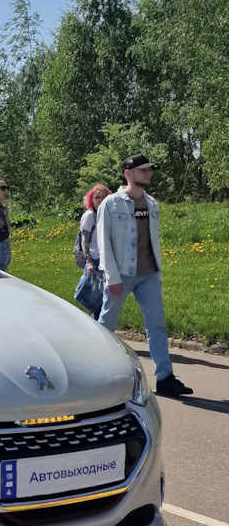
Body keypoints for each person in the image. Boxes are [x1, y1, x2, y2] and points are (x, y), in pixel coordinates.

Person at [96, 154, 192, 398]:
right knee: (107, 326)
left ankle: (165, 378)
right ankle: (97, 374)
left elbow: (153, 240)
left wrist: (158, 273)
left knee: (157, 326)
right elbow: (103, 242)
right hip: (122, 275)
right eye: (143, 170)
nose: (148, 173)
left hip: (149, 274)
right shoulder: (111, 204)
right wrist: (112, 276)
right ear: (128, 173)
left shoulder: (151, 203)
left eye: (149, 170)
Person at [74, 184, 110, 317]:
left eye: (103, 197)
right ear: (92, 199)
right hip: (95, 260)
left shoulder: (108, 215)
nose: (100, 200)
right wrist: (88, 261)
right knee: (95, 302)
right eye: (97, 197)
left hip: (107, 260)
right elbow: (85, 240)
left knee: (104, 300)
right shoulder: (90, 215)